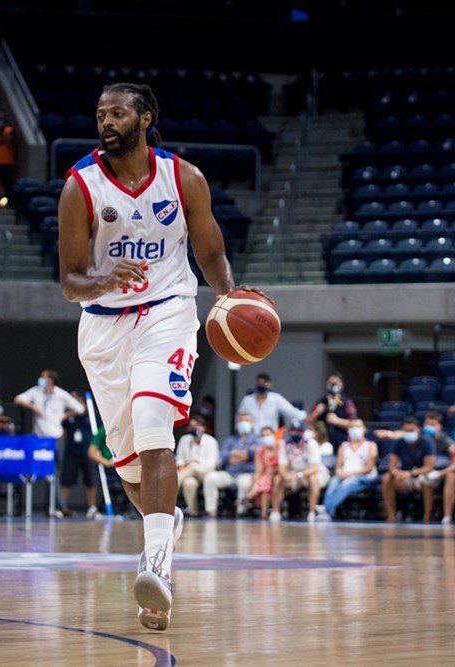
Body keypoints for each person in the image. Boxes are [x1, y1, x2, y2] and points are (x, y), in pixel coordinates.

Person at [57, 82, 269, 631]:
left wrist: (226, 295)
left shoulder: (184, 178)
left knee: (156, 422)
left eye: (118, 113)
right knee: (129, 467)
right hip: (102, 328)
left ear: (145, 118)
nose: (107, 121)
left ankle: (157, 566)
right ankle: (164, 521)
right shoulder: (81, 186)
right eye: (101, 113)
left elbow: (211, 251)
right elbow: (70, 281)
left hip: (168, 312)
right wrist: (101, 279)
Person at [381, 416, 436, 522]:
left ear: (418, 430)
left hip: (420, 475)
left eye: (411, 430)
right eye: (405, 430)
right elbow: (392, 465)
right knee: (387, 478)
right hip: (405, 476)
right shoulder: (398, 442)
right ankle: (391, 515)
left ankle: (427, 516)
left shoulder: (427, 442)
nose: (408, 433)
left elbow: (429, 467)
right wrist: (395, 472)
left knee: (427, 481)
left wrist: (411, 473)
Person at [202, 412, 258, 517]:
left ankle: (241, 512)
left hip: (247, 473)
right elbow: (223, 458)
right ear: (237, 423)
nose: (244, 423)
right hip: (229, 473)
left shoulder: (257, 439)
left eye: (247, 420)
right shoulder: (230, 440)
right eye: (241, 420)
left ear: (252, 423)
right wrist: (245, 456)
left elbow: (255, 455)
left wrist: (236, 455)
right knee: (210, 478)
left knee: (244, 482)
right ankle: (211, 511)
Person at [274, 419, 330, 522]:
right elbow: (282, 466)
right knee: (278, 478)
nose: (296, 433)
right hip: (295, 473)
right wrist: (285, 475)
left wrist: (299, 474)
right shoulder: (285, 444)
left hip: (314, 473)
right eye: (293, 430)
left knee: (312, 478)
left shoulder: (311, 443)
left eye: (299, 430)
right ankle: (275, 512)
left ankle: (312, 512)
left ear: (303, 432)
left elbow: (314, 467)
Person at [323, 419, 379, 519]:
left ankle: (327, 510)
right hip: (345, 475)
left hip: (364, 477)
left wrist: (350, 474)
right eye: (352, 427)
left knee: (347, 482)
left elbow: (369, 469)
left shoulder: (371, 445)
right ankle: (327, 511)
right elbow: (338, 467)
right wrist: (339, 472)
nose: (354, 429)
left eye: (357, 426)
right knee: (334, 481)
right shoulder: (343, 446)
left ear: (364, 429)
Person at [59, 391, 98, 518]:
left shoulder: (90, 414)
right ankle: (63, 506)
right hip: (71, 452)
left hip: (87, 452)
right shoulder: (68, 416)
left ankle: (92, 507)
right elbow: (64, 433)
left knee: (90, 480)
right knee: (67, 480)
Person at [174, 415, 220, 518]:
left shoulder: (211, 441)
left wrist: (195, 461)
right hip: (188, 473)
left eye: (197, 426)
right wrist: (186, 464)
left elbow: (212, 464)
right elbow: (179, 460)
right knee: (189, 483)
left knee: (193, 466)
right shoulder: (184, 440)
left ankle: (173, 484)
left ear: (203, 428)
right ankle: (193, 512)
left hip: (207, 472)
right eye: (191, 426)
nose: (194, 428)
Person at [236, 372, 307, 432]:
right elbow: (239, 418)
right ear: (256, 384)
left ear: (269, 385)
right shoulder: (247, 400)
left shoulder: (276, 398)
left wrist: (306, 417)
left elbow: (290, 411)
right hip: (253, 438)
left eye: (264, 383)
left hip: (271, 437)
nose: (261, 386)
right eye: (259, 384)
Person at [307, 372, 358, 448]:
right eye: (331, 382)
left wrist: (337, 421)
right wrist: (316, 413)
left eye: (336, 382)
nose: (333, 385)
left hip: (342, 442)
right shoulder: (319, 403)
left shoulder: (347, 403)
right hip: (322, 443)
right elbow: (307, 423)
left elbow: (355, 424)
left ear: (342, 385)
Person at [244, 426, 283, 521]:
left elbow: (283, 466)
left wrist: (273, 470)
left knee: (272, 479)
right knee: (264, 489)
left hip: (278, 474)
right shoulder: (260, 451)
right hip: (265, 477)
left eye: (268, 435)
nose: (266, 437)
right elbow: (259, 470)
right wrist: (253, 482)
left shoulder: (281, 447)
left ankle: (249, 496)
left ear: (274, 435)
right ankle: (264, 516)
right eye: (263, 436)